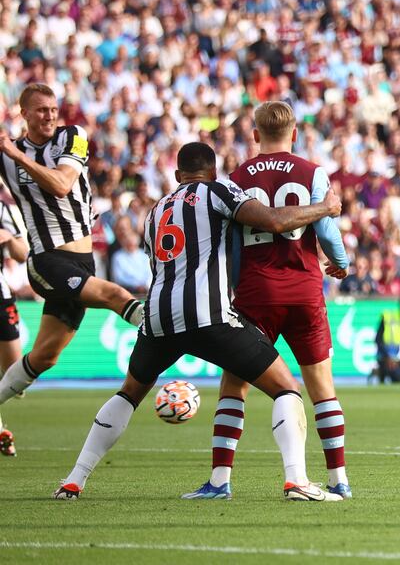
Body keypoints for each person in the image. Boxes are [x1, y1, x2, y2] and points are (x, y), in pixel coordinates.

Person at [54, 141, 344, 501]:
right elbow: (274, 220)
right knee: (286, 388)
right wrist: (324, 207)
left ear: (178, 176)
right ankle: (296, 481)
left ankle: (74, 480)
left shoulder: (156, 210)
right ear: (213, 171)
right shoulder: (219, 190)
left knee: (129, 393)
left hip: (157, 317)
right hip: (210, 316)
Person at [182, 101, 352, 501]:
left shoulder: (234, 179)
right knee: (321, 388)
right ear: (294, 134)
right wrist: (340, 263)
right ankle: (338, 480)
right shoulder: (313, 173)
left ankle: (220, 481)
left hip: (256, 295)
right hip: (305, 290)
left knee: (234, 385)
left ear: (255, 135)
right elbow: (327, 233)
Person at [0, 84, 146, 452]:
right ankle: (165, 327)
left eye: (52, 109)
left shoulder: (72, 137)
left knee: (45, 356)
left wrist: (15, 155)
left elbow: (62, 184)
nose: (49, 115)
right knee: (114, 294)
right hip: (46, 259)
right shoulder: (8, 152)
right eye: (40, 110)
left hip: (81, 258)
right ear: (24, 113)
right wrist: (11, 152)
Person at [0, 202, 28, 456]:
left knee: (15, 374)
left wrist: (8, 237)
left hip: (1, 296)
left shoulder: (2, 210)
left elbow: (22, 254)